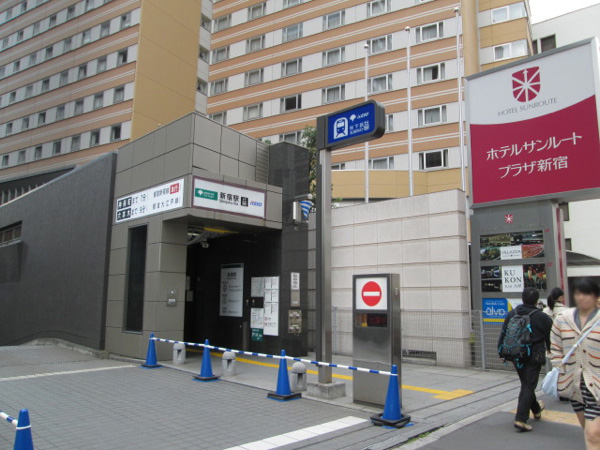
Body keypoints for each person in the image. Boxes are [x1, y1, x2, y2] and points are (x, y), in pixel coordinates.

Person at [551, 278, 600, 448]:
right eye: (579, 294)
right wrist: (560, 368)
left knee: (592, 434)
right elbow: (556, 347)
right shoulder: (562, 318)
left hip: (597, 383)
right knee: (588, 430)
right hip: (573, 384)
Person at [499, 288, 553, 432]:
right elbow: (550, 336)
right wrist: (550, 349)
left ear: (522, 298)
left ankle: (536, 410)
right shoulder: (542, 316)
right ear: (536, 300)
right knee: (528, 385)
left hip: (516, 355)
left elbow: (503, 332)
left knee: (527, 384)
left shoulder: (512, 313)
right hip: (533, 356)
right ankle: (521, 419)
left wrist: (501, 351)